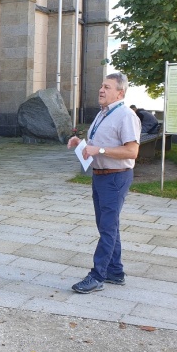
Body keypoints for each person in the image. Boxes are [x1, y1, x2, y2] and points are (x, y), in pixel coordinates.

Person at [68, 73, 141, 294]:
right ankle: (115, 272)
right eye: (101, 86)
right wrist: (82, 144)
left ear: (120, 92)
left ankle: (97, 276)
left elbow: (132, 151)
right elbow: (100, 142)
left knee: (108, 228)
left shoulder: (125, 116)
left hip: (115, 177)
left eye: (107, 87)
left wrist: (98, 150)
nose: (101, 90)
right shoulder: (103, 114)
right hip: (100, 175)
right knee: (107, 225)